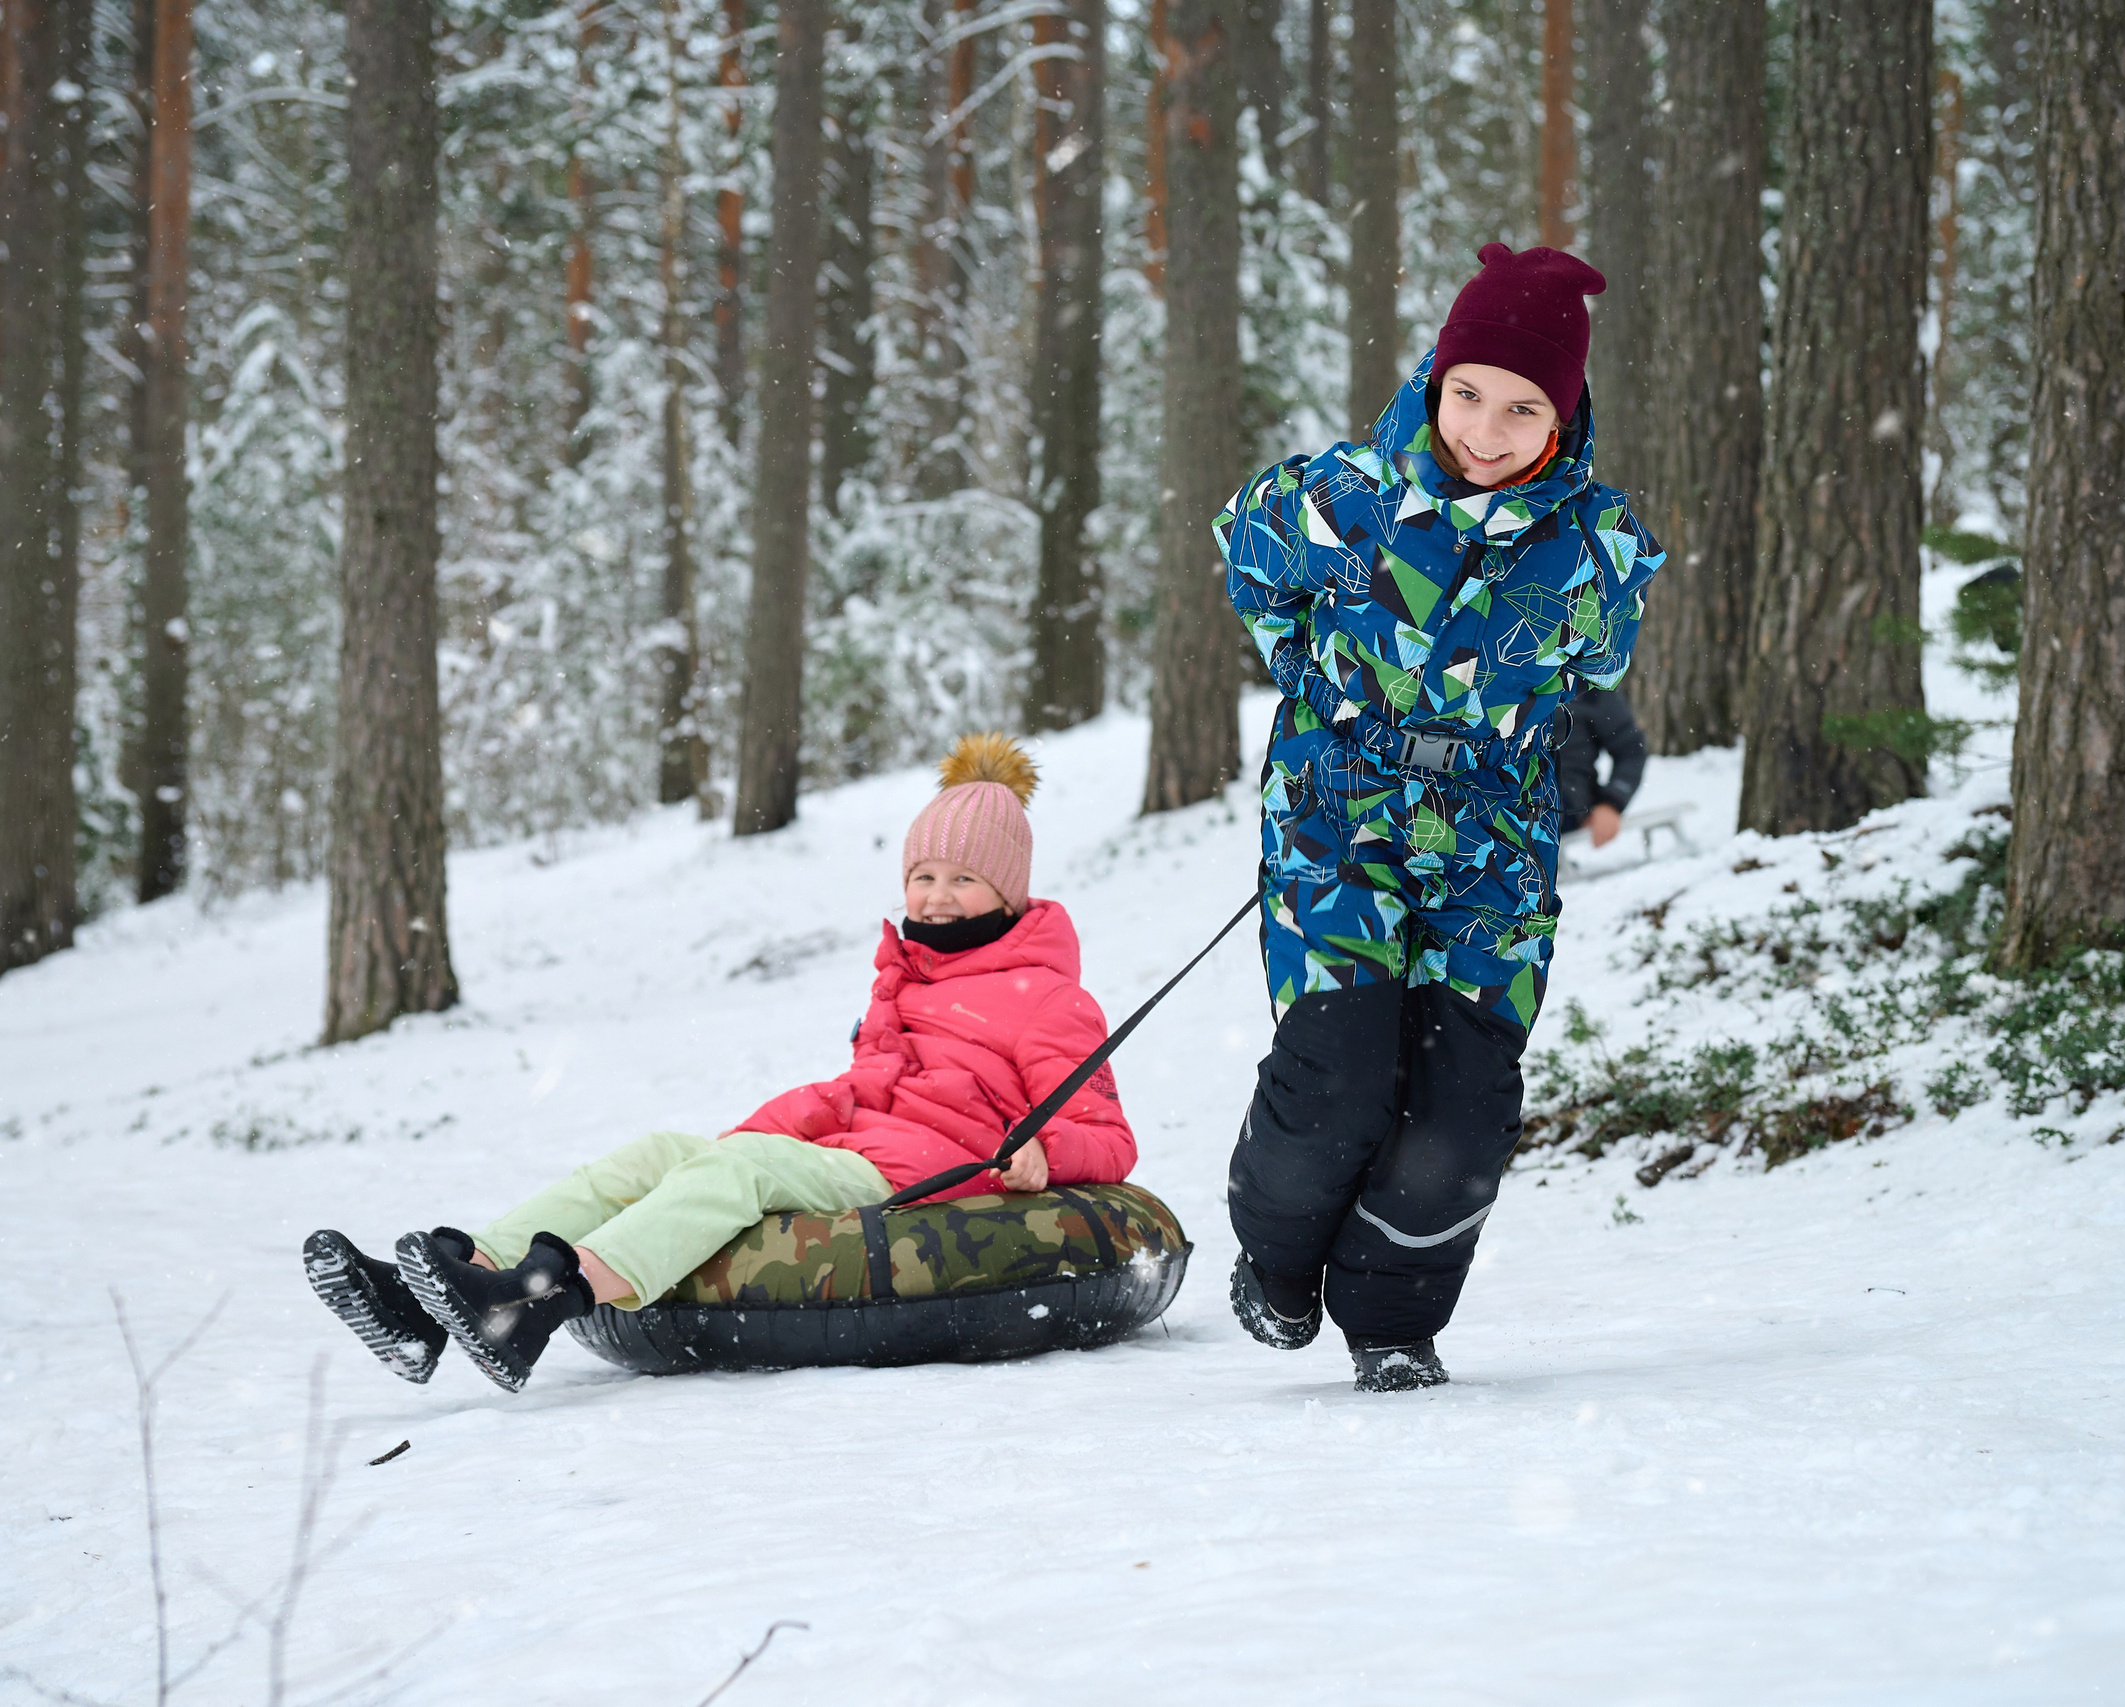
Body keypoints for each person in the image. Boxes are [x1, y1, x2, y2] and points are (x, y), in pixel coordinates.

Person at [302, 734, 1139, 1391]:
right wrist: (739, 1139)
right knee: (658, 1153)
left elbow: (1107, 1135)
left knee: (741, 1168)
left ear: (1009, 892)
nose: (936, 896)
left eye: (963, 878)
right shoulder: (909, 977)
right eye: (922, 874)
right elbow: (858, 1093)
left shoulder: (1047, 997)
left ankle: (541, 1302)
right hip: (859, 1153)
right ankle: (446, 1288)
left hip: (926, 1176)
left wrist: (1045, 1153)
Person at [1216, 243, 1660, 1391]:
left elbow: (1595, 662)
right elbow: (1247, 562)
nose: (1486, 432)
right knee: (1341, 1069)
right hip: (1338, 812)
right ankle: (1279, 1261)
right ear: (1433, 378)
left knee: (1464, 1104)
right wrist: (1309, 673)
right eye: (1468, 394)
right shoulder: (1339, 497)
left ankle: (1392, 1320)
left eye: (1522, 409)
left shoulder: (1595, 545)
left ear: (1563, 415)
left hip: (1492, 837)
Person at [1555, 685, 1646, 847]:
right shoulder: (1506, 680)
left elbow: (1631, 751)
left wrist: (1611, 803)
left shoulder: (1589, 685)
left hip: (1562, 798)